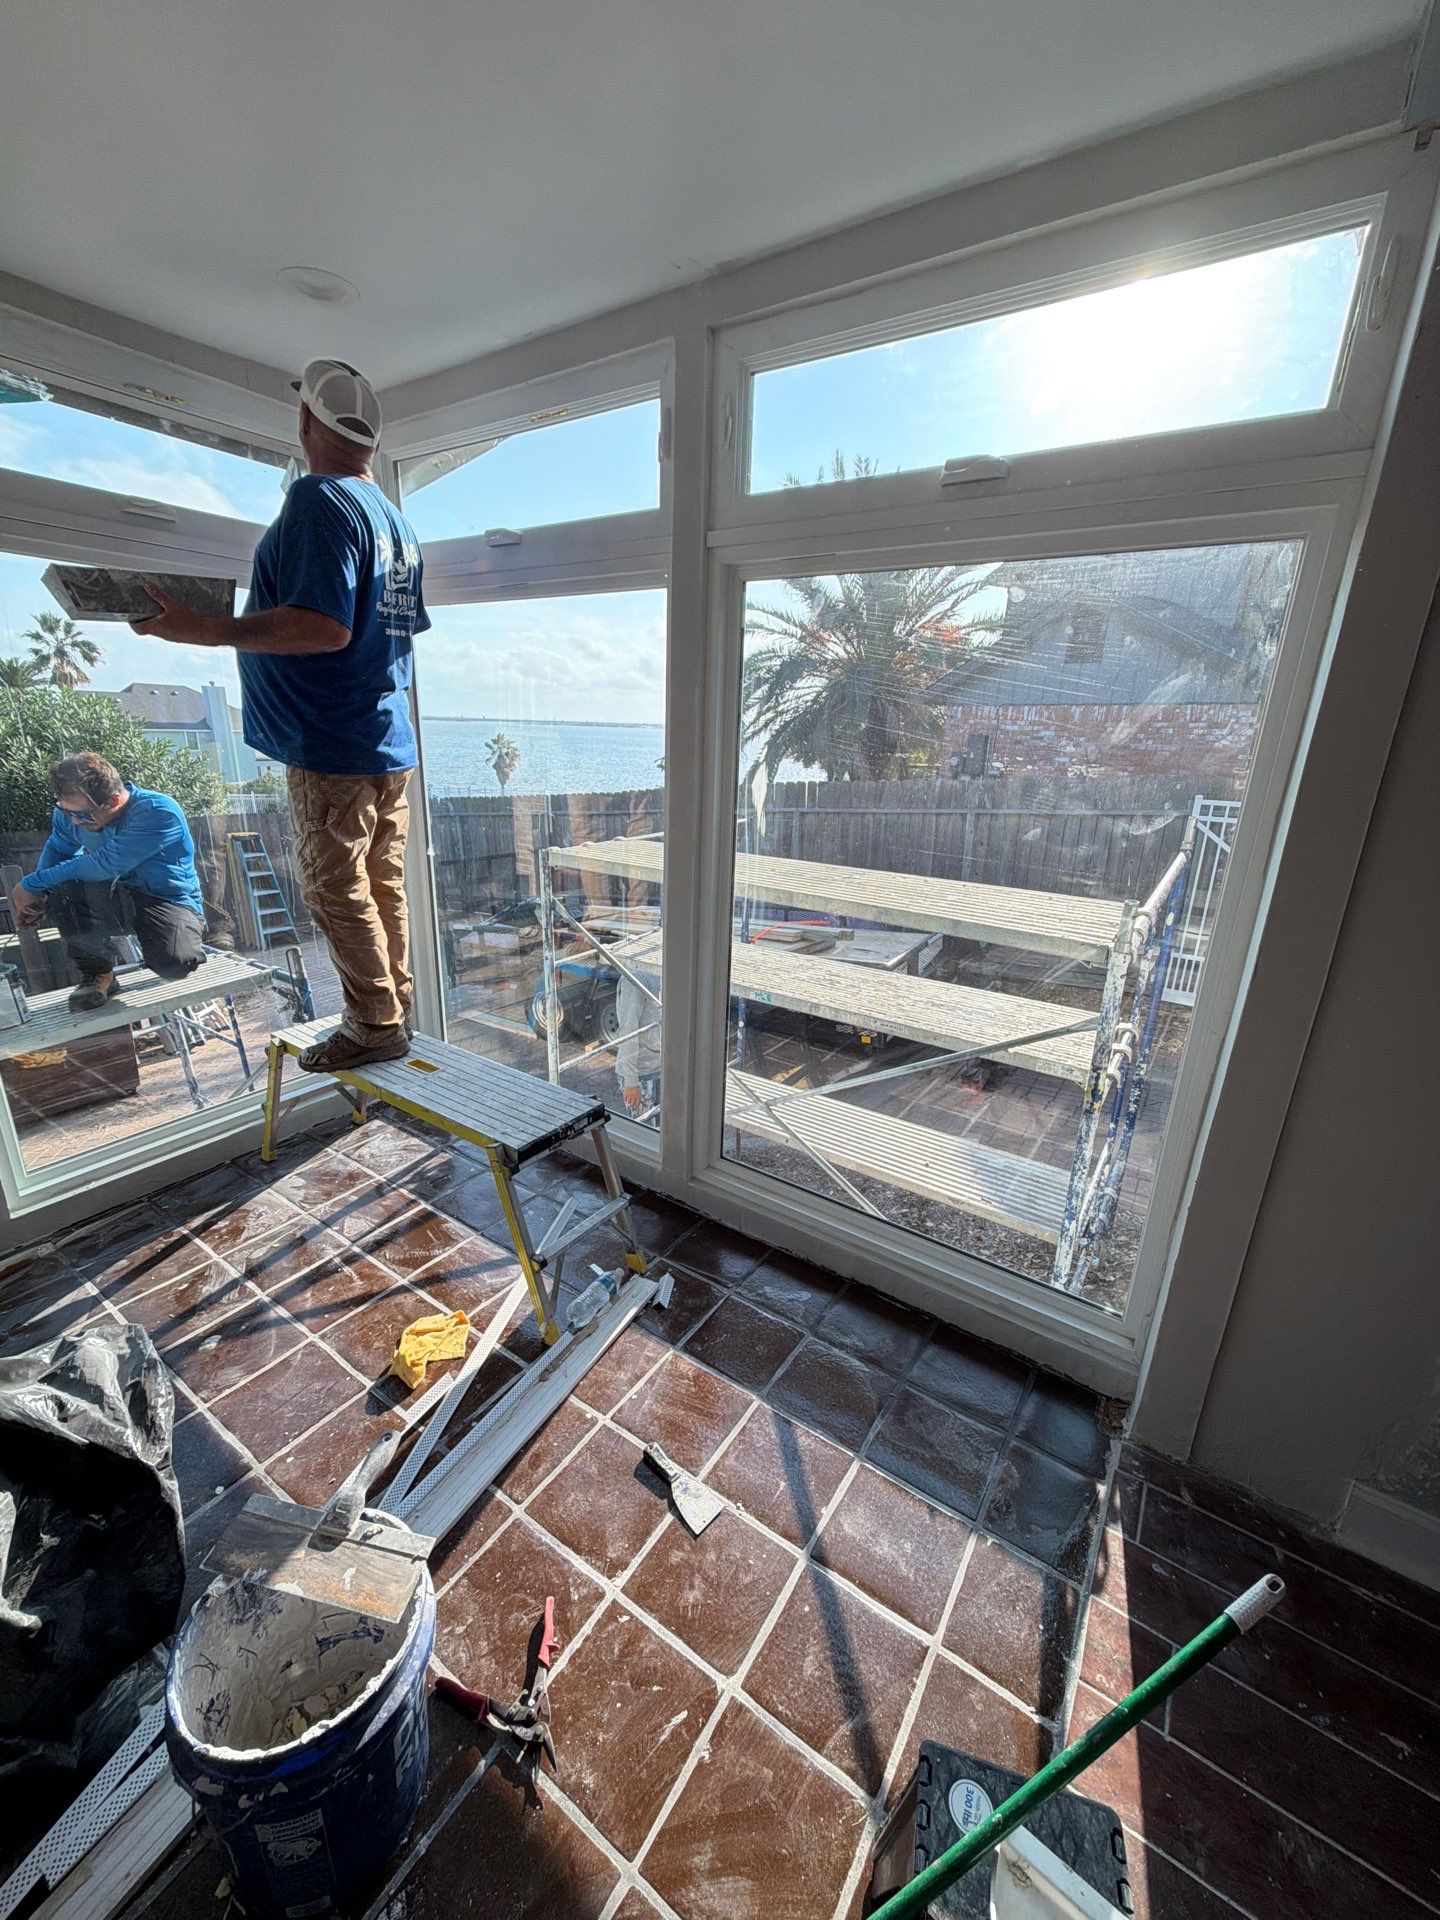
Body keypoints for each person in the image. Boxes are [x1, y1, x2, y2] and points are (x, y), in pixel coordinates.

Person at [130, 358, 429, 1072]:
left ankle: (375, 1024)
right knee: (378, 884)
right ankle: (393, 1008)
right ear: (374, 442)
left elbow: (325, 628)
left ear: (305, 424)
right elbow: (397, 628)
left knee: (333, 888)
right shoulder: (395, 520)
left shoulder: (319, 501)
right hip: (385, 739)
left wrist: (205, 629)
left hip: (331, 743)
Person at [9, 753, 205, 1011]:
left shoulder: (157, 811)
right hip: (115, 896)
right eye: (65, 811)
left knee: (174, 964)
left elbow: (105, 864)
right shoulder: (71, 814)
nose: (74, 821)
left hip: (165, 898)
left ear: (113, 800)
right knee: (64, 887)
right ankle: (99, 974)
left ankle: (164, 944)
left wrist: (31, 884)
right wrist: (40, 895)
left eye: (84, 815)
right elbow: (59, 850)